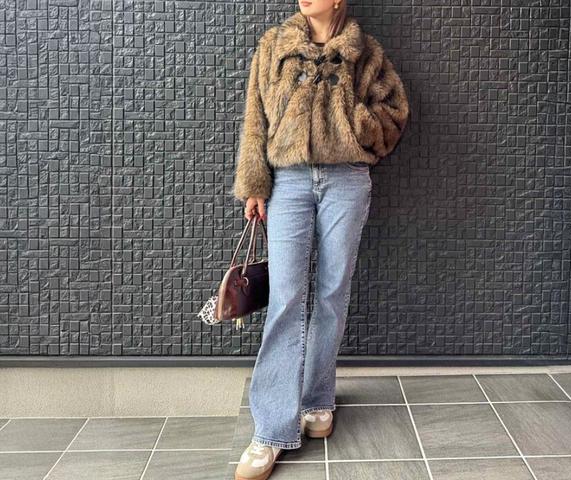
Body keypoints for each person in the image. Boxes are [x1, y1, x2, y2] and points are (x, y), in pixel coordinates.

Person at [232, 1, 409, 479]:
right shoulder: (275, 45)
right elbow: (255, 119)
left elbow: (394, 113)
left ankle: (317, 399)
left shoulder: (365, 52)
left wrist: (353, 123)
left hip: (347, 179)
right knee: (286, 296)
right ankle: (270, 430)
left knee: (332, 291)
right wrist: (254, 184)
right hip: (288, 181)